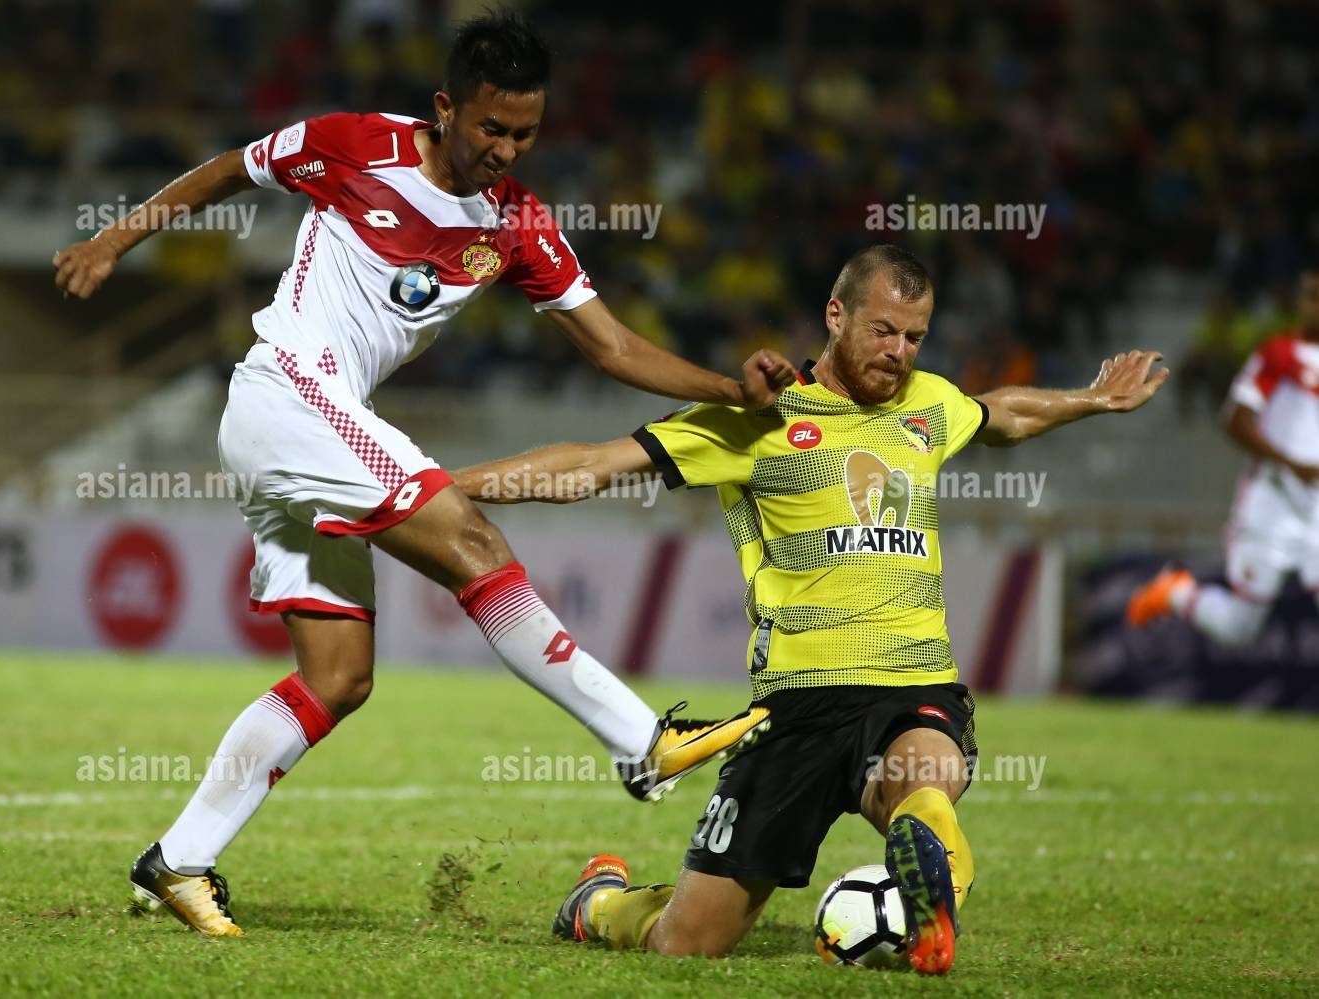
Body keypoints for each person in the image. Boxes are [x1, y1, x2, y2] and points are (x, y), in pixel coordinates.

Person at [51, 11, 789, 937]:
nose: (505, 150)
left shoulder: (517, 222)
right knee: (473, 539)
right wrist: (113, 241)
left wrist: (731, 389)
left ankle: (181, 858)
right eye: (491, 128)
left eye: (524, 134)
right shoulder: (353, 146)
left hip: (310, 429)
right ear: (447, 108)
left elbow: (610, 345)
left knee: (338, 676)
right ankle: (641, 742)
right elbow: (230, 168)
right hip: (288, 392)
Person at [454, 244, 1169, 974]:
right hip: (797, 705)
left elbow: (1001, 415)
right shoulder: (759, 416)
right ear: (836, 315)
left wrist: (1093, 399)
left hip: (913, 681)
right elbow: (594, 465)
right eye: (884, 330)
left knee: (925, 780)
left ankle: (927, 900)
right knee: (688, 940)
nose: (899, 353)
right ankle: (600, 902)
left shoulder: (926, 403)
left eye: (915, 336)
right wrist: (441, 487)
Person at [1128, 268, 1319, 642]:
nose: (1312, 304)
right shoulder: (1280, 354)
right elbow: (1234, 420)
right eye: (1309, 295)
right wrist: (1292, 464)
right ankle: (1175, 592)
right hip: (1273, 502)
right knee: (1240, 627)